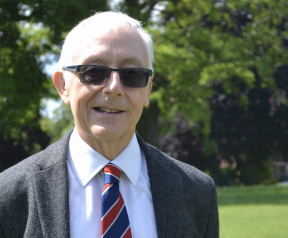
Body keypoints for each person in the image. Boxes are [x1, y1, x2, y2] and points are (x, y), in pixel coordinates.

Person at [0, 11, 219, 238]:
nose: (114, 87)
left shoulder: (197, 191)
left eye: (132, 74)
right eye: (94, 72)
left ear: (148, 89)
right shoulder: (8, 196)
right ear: (63, 86)